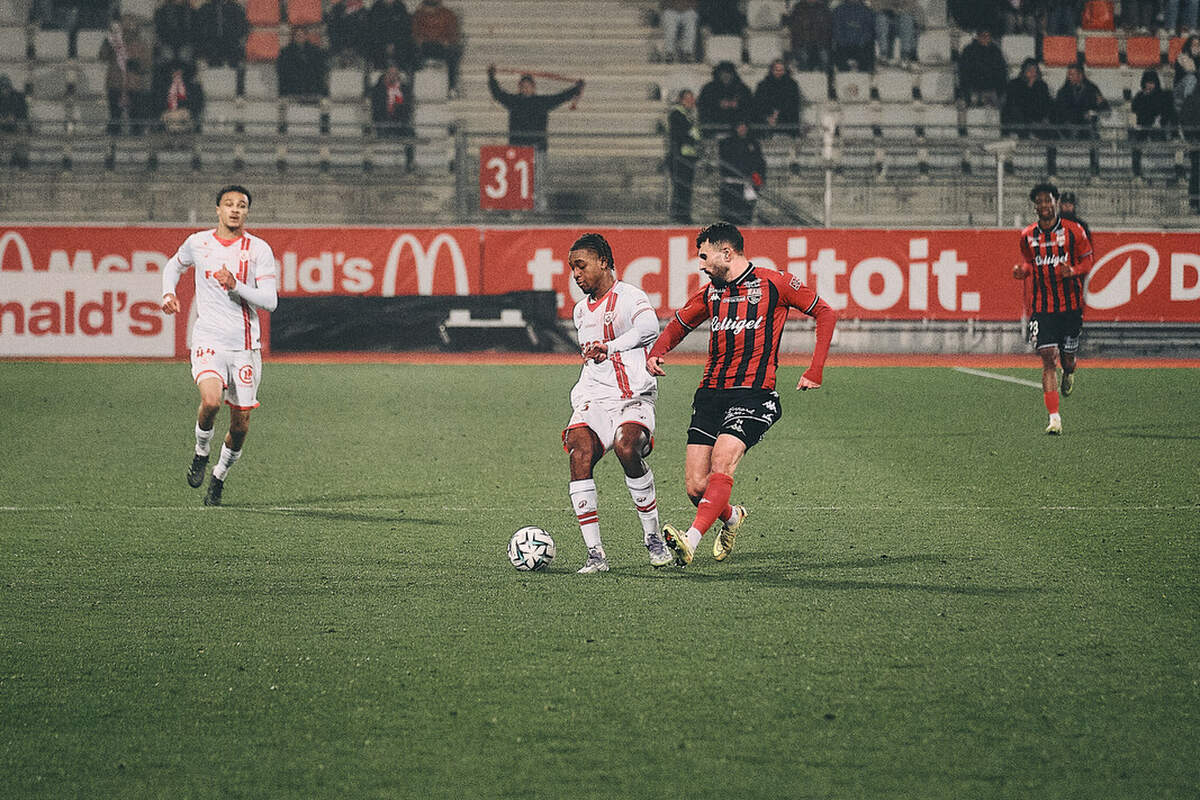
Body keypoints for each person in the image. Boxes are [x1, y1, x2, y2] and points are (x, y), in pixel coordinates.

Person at [646, 222, 837, 566]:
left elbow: (825, 311)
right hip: (710, 395)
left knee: (723, 462)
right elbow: (679, 323)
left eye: (704, 257)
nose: (701, 265)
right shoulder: (711, 292)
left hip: (753, 395)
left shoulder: (775, 283)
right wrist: (658, 350)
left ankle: (690, 540)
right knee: (695, 487)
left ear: (727, 253)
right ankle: (732, 517)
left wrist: (815, 368)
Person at [160, 185, 279, 506]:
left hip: (244, 348)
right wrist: (168, 293)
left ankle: (219, 476)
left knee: (240, 426)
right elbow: (174, 265)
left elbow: (270, 301)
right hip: (209, 340)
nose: (235, 209)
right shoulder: (198, 243)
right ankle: (201, 452)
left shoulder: (259, 250)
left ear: (247, 212)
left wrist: (236, 285)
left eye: (241, 205)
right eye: (229, 204)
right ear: (218, 209)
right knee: (210, 402)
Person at [562, 233, 673, 573]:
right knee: (579, 453)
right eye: (572, 269)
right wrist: (578, 408)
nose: (576, 275)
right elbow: (591, 367)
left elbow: (650, 329)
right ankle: (595, 555)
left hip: (633, 397)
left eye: (581, 266)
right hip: (595, 398)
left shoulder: (629, 297)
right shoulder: (581, 311)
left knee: (627, 448)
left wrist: (610, 347)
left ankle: (653, 538)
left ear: (604, 262)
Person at [1012, 182, 1094, 435]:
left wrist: (1075, 270)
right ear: (1035, 206)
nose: (1044, 205)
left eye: (1048, 200)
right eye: (1039, 202)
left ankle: (1069, 372)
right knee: (1048, 359)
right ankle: (1054, 418)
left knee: (1066, 361)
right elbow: (1029, 263)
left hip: (1069, 307)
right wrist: (1021, 271)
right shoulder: (1028, 235)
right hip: (1042, 307)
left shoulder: (1073, 231)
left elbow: (1087, 260)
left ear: (1056, 202)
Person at [487, 64, 584, 212]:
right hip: (518, 150)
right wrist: (491, 77)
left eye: (528, 86)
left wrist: (576, 89)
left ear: (534, 87)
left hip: (537, 148)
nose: (526, 88)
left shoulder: (541, 102)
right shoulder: (513, 101)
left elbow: (561, 97)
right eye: (523, 86)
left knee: (538, 182)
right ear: (519, 87)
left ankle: (539, 209)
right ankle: (518, 209)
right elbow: (497, 93)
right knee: (516, 182)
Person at [100, 14, 154, 135]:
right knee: (115, 117)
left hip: (134, 85)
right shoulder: (114, 41)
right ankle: (113, 140)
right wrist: (107, 42)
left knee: (135, 118)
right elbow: (103, 56)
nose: (129, 26)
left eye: (131, 23)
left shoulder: (141, 44)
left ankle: (136, 139)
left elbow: (147, 65)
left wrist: (137, 65)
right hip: (115, 83)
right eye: (125, 23)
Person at [717, 118, 766, 225]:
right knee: (729, 218)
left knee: (746, 216)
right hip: (731, 186)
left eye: (744, 126)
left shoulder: (753, 143)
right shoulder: (726, 143)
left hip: (748, 185)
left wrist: (759, 179)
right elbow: (725, 163)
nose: (742, 128)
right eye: (740, 125)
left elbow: (760, 163)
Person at [411, 0, 463, 97]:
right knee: (412, 52)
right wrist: (419, 40)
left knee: (452, 54)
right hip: (424, 46)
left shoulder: (448, 14)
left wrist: (448, 41)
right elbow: (414, 32)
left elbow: (454, 34)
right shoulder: (418, 15)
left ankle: (452, 87)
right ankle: (413, 87)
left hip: (441, 46)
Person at [370, 63, 415, 169]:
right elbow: (376, 108)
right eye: (391, 74)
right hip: (382, 121)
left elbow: (407, 108)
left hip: (399, 122)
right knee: (379, 130)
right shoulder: (378, 89)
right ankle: (375, 163)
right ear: (386, 74)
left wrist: (399, 102)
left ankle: (409, 163)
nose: (393, 76)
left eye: (395, 74)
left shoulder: (403, 89)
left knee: (410, 133)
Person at [667, 88, 701, 224]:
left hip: (688, 156)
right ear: (681, 100)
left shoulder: (688, 115)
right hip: (680, 157)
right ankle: (680, 214)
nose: (691, 102)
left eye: (692, 99)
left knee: (685, 187)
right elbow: (684, 135)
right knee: (681, 187)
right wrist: (692, 138)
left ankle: (683, 213)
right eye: (688, 99)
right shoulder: (677, 114)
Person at [1052, 63, 1109, 139]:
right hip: (1069, 125)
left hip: (1088, 125)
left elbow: (1103, 108)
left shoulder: (1092, 89)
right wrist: (1082, 115)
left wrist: (1101, 103)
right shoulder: (1063, 91)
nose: (1069, 77)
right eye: (1068, 74)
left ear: (1080, 75)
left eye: (1072, 74)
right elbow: (1062, 111)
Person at [697, 60, 753, 137]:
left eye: (729, 73)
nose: (726, 76)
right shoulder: (709, 89)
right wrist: (718, 104)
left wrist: (737, 105)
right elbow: (703, 107)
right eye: (723, 73)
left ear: (733, 74)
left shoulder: (742, 89)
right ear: (718, 74)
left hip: (736, 132)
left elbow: (749, 108)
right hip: (714, 130)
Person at [1001, 57, 1053, 138]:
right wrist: (1029, 87)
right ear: (1024, 71)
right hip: (1020, 120)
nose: (1032, 73)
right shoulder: (1014, 84)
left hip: (1037, 120)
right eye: (1029, 70)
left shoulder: (1042, 86)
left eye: (1034, 70)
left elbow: (1046, 104)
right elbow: (1015, 104)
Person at [957, 29, 1007, 107]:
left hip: (991, 90)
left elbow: (1002, 72)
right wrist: (966, 93)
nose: (986, 39)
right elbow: (963, 73)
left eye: (988, 36)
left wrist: (1000, 92)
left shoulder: (995, 51)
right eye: (983, 36)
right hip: (973, 90)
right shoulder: (968, 51)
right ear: (978, 37)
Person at [277, 26, 329, 98]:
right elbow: (281, 70)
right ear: (293, 37)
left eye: (302, 35)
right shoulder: (285, 52)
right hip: (293, 84)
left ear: (306, 36)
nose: (299, 37)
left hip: (311, 85)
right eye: (297, 35)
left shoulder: (316, 50)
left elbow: (320, 69)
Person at [753, 58, 802, 136]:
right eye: (776, 69)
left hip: (787, 118)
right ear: (771, 70)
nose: (779, 72)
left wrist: (778, 115)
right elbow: (758, 104)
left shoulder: (792, 85)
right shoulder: (763, 85)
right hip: (766, 118)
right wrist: (768, 117)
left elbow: (793, 104)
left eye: (781, 70)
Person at [193, 0, 248, 67]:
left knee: (236, 65)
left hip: (232, 46)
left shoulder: (236, 8)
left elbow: (244, 27)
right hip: (210, 48)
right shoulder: (205, 8)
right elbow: (197, 31)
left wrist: (238, 40)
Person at [783, 0, 832, 73]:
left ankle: (823, 79)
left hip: (820, 43)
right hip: (802, 43)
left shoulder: (823, 9)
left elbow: (828, 28)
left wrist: (823, 42)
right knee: (803, 58)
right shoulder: (798, 8)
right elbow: (795, 29)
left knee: (825, 57)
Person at [1131, 68, 1177, 141]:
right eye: (1148, 83)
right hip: (1144, 126)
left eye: (1152, 83)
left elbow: (1166, 111)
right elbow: (1134, 109)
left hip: (1160, 124)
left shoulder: (1163, 95)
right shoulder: (1140, 95)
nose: (1149, 85)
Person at [873, 0, 922, 67]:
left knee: (906, 19)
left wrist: (900, 9)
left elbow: (912, 5)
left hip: (902, 19)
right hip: (886, 17)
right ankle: (884, 54)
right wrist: (891, 8)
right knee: (881, 20)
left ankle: (905, 55)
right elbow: (876, 5)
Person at [831, 0, 875, 72]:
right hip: (843, 45)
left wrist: (862, 41)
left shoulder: (867, 11)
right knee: (840, 61)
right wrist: (843, 42)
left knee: (867, 56)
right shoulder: (839, 10)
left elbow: (869, 30)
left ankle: (865, 74)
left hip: (861, 45)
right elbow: (836, 29)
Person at [0, 74, 30, 167]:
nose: (4, 90)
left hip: (16, 126)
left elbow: (24, 114)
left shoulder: (18, 97)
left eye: (6, 87)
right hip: (2, 127)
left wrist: (15, 118)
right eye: (2, 88)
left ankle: (21, 161)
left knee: (22, 134)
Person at [1173, 35, 1199, 111]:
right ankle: (1188, 105)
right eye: (1194, 45)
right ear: (1188, 45)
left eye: (1198, 45)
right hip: (1181, 90)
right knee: (1191, 78)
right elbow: (1190, 72)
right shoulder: (1182, 57)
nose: (1196, 47)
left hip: (1196, 91)